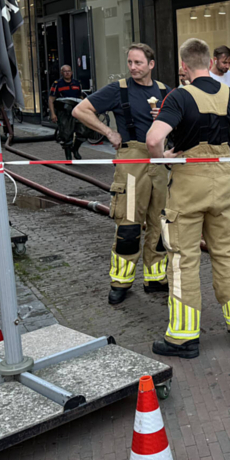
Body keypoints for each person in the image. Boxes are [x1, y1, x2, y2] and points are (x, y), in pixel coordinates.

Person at [145, 38, 230, 359]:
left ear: (183, 67)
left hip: (188, 188)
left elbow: (153, 138)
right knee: (226, 253)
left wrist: (164, 158)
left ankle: (183, 338)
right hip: (222, 185)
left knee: (183, 259)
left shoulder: (178, 96)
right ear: (209, 63)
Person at [74, 44, 171, 304]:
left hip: (160, 163)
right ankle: (121, 282)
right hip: (131, 163)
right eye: (130, 62)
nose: (133, 67)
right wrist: (109, 133)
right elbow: (80, 110)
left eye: (138, 62)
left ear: (151, 64)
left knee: (160, 224)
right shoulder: (119, 89)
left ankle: (155, 277)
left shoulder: (165, 91)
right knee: (128, 227)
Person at [48, 65, 85, 160]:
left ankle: (75, 149)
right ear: (61, 73)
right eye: (65, 71)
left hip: (77, 111)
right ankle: (68, 156)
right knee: (66, 134)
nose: (67, 73)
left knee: (83, 131)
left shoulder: (77, 83)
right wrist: (53, 113)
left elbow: (81, 97)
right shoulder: (57, 84)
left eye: (69, 71)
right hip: (63, 112)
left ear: (72, 72)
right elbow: (51, 99)